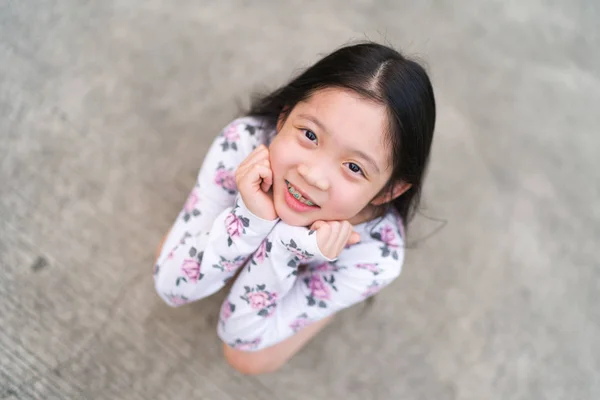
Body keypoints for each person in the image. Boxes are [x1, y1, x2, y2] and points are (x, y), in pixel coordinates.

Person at [153, 41, 436, 375]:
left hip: (314, 263)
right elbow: (170, 287)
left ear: (389, 190)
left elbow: (239, 335)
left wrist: (286, 246)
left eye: (355, 168)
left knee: (247, 358)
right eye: (310, 135)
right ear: (285, 115)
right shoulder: (243, 143)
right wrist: (249, 219)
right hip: (244, 222)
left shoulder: (375, 257)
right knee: (174, 264)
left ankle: (320, 298)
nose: (313, 176)